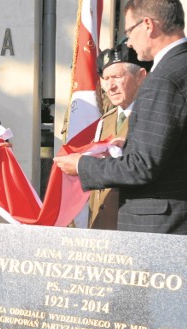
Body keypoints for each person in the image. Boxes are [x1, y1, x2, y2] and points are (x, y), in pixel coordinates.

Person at [55, 0, 187, 234]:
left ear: (148, 25)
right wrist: (129, 145)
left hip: (160, 227)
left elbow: (143, 167)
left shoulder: (164, 78)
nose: (129, 42)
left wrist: (82, 165)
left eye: (129, 32)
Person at [88, 42, 150, 230]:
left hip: (132, 225)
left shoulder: (150, 117)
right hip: (100, 224)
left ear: (140, 77)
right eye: (106, 79)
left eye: (116, 77)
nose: (110, 86)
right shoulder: (105, 121)